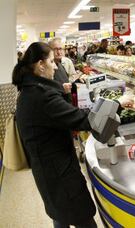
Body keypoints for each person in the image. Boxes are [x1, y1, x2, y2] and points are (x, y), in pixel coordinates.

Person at [12, 42, 101, 228]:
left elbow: (55, 115)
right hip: (60, 172)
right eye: (51, 61)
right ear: (40, 65)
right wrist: (117, 105)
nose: (55, 65)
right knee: (81, 217)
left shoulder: (29, 89)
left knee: (60, 215)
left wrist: (62, 92)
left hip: (46, 170)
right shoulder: (43, 95)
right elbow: (81, 120)